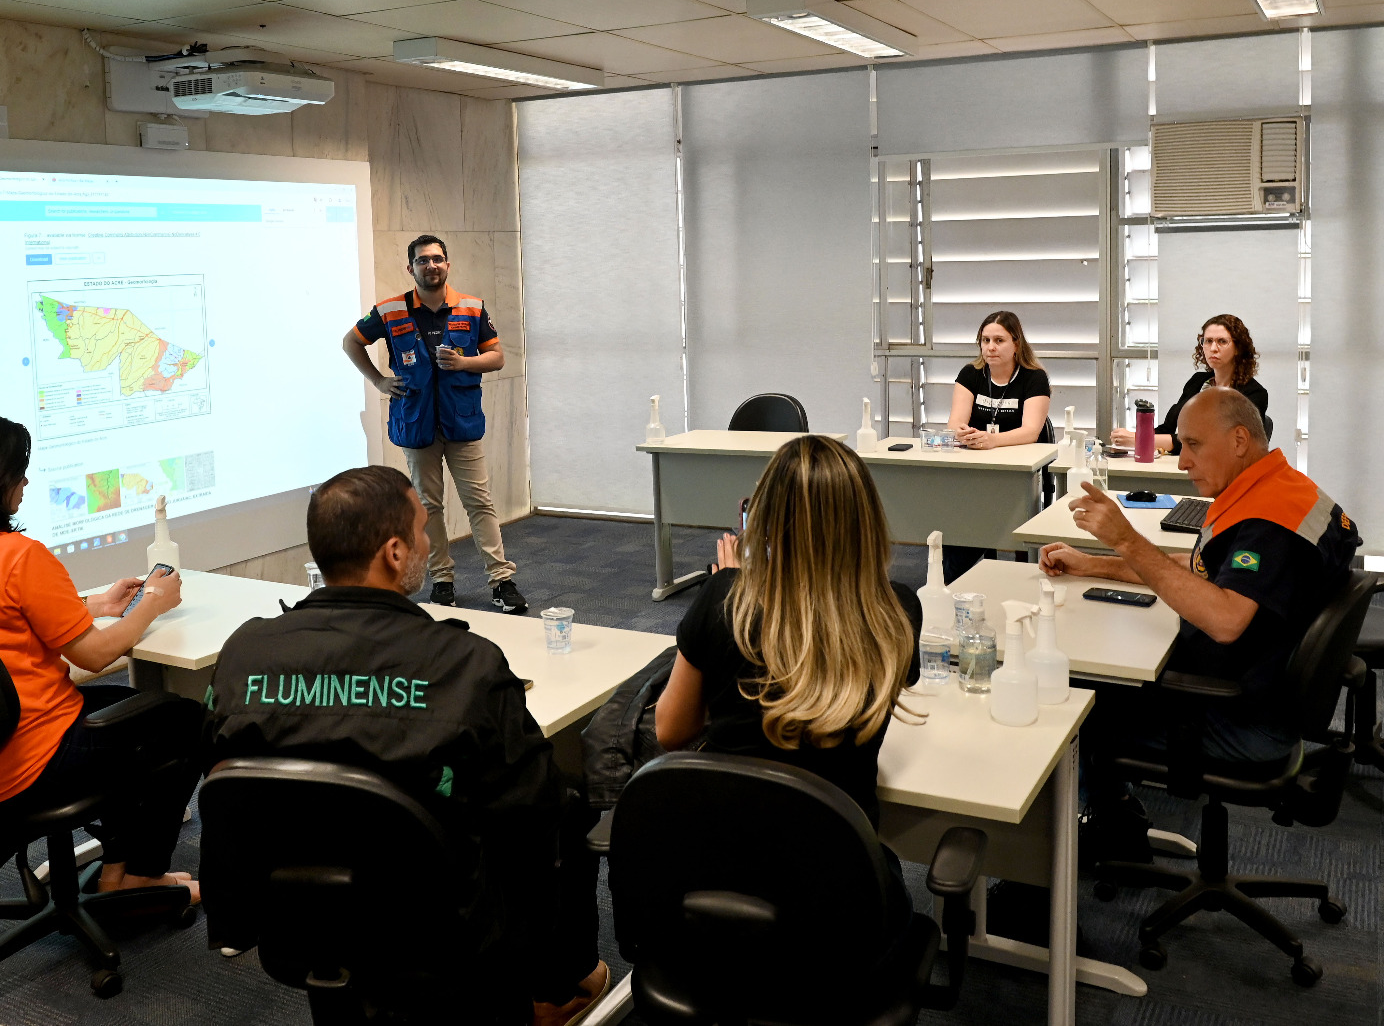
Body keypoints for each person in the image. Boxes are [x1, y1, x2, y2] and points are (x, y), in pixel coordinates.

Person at [203, 466, 607, 1026]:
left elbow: (226, 779)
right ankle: (555, 986)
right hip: (439, 932)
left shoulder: (243, 651)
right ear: (394, 553)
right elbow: (533, 811)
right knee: (567, 810)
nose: (427, 541)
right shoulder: (463, 666)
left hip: (298, 918)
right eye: (422, 530)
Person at [1041, 388, 1361, 856]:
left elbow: (1226, 620)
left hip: (1243, 719)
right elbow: (1199, 568)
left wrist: (1127, 539)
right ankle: (1114, 815)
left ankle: (1092, 838)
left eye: (1193, 445)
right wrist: (1092, 563)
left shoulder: (1267, 525)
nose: (1181, 461)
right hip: (1264, 693)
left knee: (1074, 699)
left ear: (1238, 440)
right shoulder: (1282, 489)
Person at [0, 414, 200, 902]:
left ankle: (117, 868)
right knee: (184, 722)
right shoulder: (20, 556)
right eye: (20, 472)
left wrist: (96, 606)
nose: (25, 482)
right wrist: (152, 604)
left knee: (133, 708)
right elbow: (97, 653)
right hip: (32, 760)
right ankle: (142, 872)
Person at [656, 435, 923, 842]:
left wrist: (733, 582)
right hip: (840, 872)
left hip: (724, 857)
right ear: (865, 520)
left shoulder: (723, 600)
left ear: (766, 522)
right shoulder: (897, 611)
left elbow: (671, 731)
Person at [342, 234, 527, 615]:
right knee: (429, 506)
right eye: (423, 260)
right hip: (417, 423)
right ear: (411, 268)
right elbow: (351, 343)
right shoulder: (389, 310)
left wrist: (464, 363)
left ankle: (501, 579)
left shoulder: (473, 308)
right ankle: (442, 581)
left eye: (438, 259)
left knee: (480, 502)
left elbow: (497, 357)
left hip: (461, 421)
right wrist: (378, 381)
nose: (432, 266)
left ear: (448, 264)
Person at [944, 310, 1054, 580]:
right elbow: (954, 423)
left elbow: (1030, 431)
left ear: (1016, 344)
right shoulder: (971, 373)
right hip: (974, 469)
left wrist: (992, 440)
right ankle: (953, 576)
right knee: (953, 517)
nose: (990, 347)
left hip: (1016, 475)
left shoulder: (1034, 377)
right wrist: (964, 433)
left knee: (979, 522)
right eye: (985, 340)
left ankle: (956, 574)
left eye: (999, 340)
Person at [1112, 313, 1269, 457]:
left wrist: (1140, 439)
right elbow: (1168, 428)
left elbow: (1211, 443)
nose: (1213, 348)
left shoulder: (1254, 393)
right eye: (1208, 341)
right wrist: (1130, 441)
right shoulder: (1198, 381)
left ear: (1238, 348)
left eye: (1222, 341)